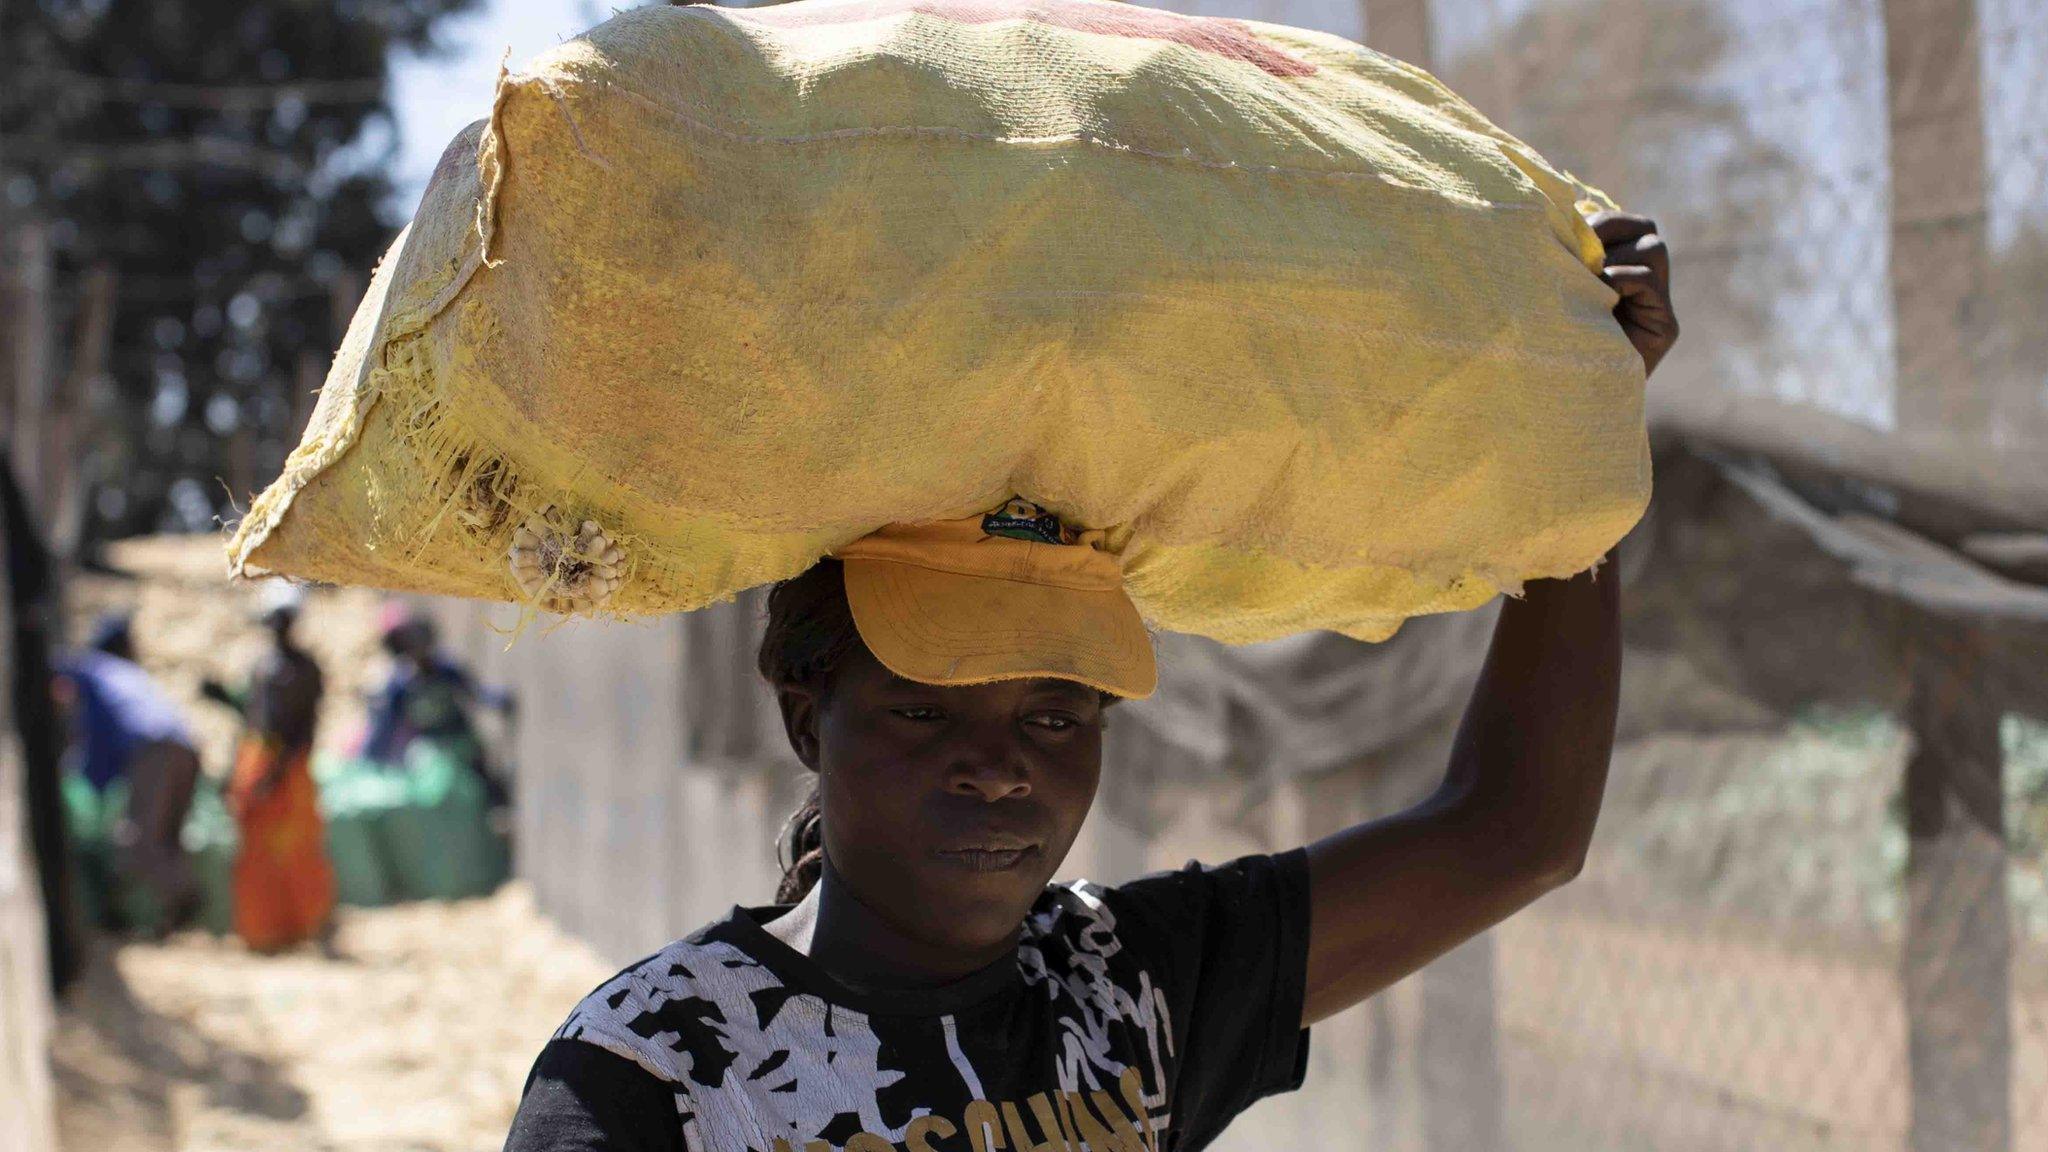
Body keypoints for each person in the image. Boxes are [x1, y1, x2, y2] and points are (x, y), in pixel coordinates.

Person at [503, 214, 1676, 1152]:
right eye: (923, 707)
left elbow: (1516, 831)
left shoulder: (1128, 987)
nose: (1000, 766)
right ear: (812, 720)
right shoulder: (657, 1069)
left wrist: (1578, 432)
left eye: (1054, 715)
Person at [201, 581, 335, 952]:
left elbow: (296, 729)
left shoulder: (302, 671)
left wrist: (272, 776)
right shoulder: (265, 667)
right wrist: (223, 699)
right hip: (257, 763)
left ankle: (306, 924)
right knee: (257, 852)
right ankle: (267, 933)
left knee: (293, 848)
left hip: (285, 771)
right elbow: (256, 721)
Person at [54, 612, 205, 936]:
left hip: (153, 751)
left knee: (139, 843)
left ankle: (185, 900)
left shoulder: (89, 670)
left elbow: (95, 739)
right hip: (185, 747)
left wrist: (86, 776)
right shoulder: (128, 674)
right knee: (165, 839)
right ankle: (172, 918)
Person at [359, 603, 515, 803]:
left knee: (484, 781)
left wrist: (497, 701)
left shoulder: (445, 669)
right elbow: (385, 728)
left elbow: (474, 692)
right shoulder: (401, 688)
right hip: (435, 749)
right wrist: (369, 759)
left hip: (461, 736)